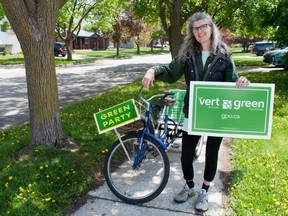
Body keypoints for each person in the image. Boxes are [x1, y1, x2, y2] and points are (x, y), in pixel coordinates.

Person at [142, 12, 250, 212]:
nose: (200, 31)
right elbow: (171, 70)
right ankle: (190, 186)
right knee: (186, 156)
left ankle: (205, 191)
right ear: (192, 32)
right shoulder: (188, 53)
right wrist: (152, 71)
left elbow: (232, 81)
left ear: (211, 27)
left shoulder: (224, 54)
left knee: (211, 154)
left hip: (215, 114)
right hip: (193, 111)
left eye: (204, 26)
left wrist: (241, 81)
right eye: (195, 28)